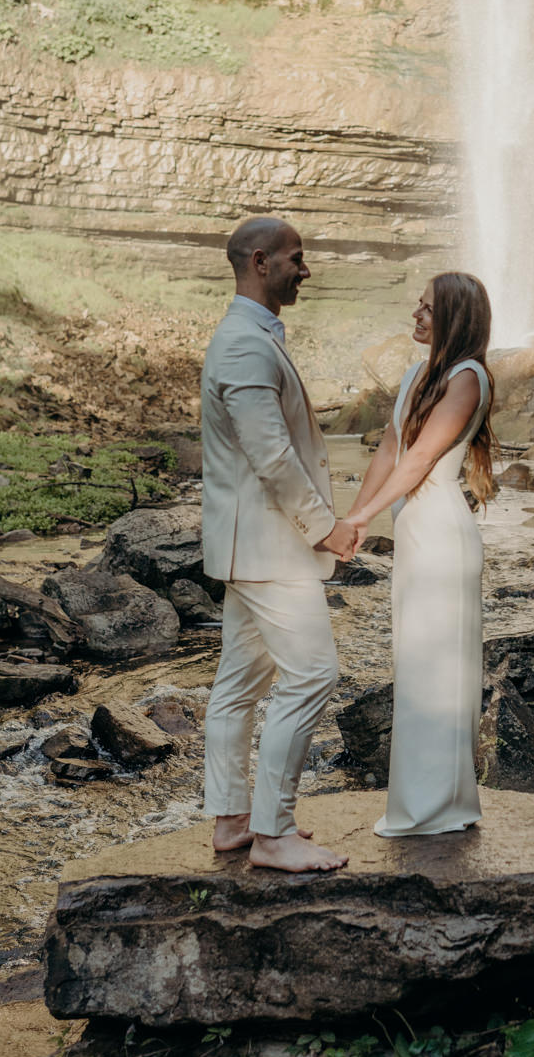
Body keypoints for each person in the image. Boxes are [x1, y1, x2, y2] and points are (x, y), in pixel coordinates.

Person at [200, 215, 358, 873]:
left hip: (253, 547)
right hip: (271, 548)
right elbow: (272, 455)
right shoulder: (243, 343)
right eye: (297, 257)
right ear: (261, 261)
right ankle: (273, 833)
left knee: (240, 684)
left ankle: (233, 819)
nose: (306, 268)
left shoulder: (253, 334)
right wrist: (326, 525)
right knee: (314, 673)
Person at [347, 272, 496, 836]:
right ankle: (419, 804)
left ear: (456, 318)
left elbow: (421, 461)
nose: (416, 313)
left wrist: (361, 517)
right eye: (418, 304)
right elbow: (390, 450)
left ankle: (442, 807)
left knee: (442, 666)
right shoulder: (417, 373)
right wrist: (352, 520)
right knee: (415, 664)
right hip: (413, 532)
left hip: (441, 535)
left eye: (429, 308)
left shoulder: (469, 378)